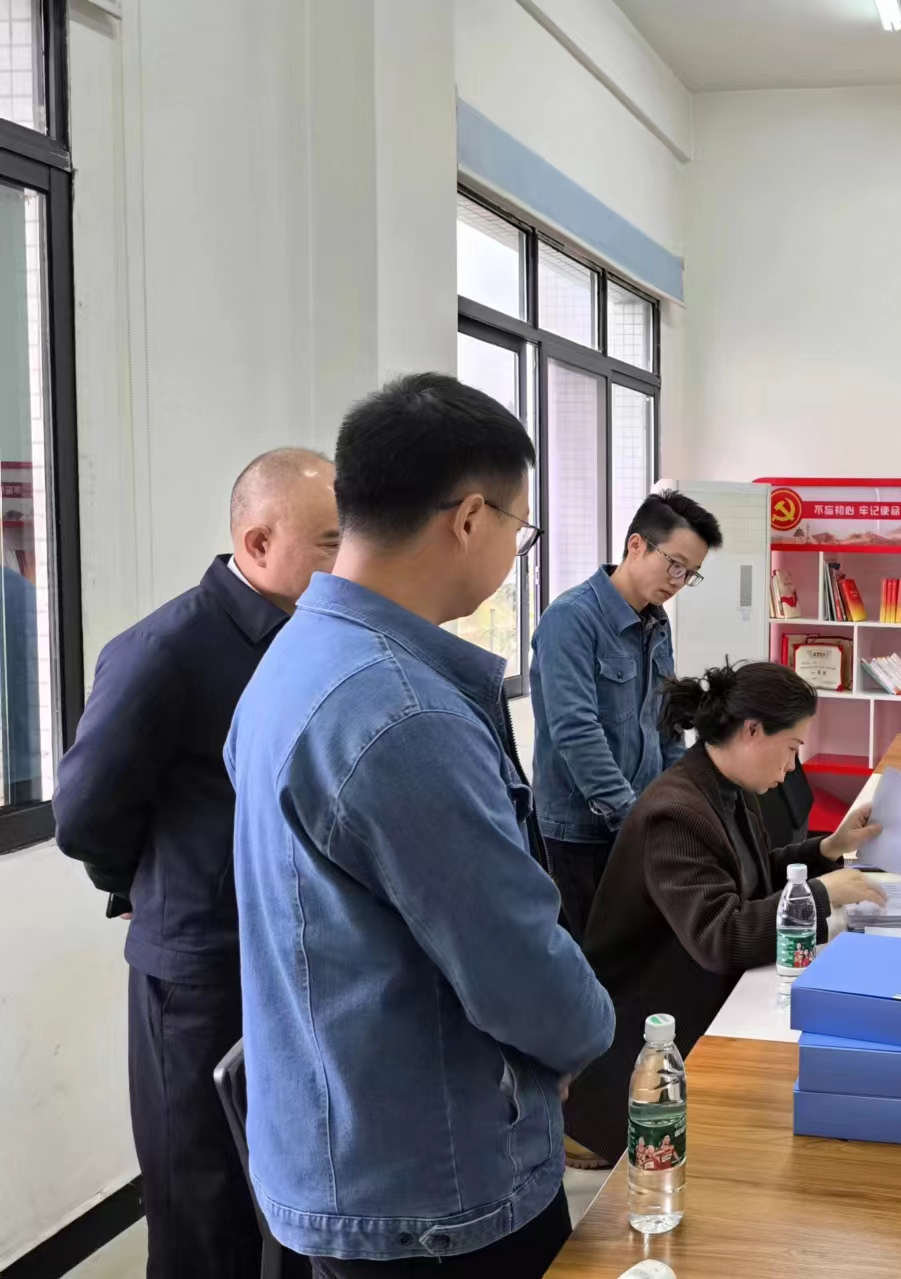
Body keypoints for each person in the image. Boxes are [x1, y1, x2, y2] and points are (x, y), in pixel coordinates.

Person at [226, 374, 614, 1277]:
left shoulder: (293, 656)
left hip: (339, 1148)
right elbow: (514, 958)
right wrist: (580, 1034)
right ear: (470, 517)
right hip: (434, 1188)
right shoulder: (403, 713)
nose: (516, 550)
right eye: (520, 528)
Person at [56, 448, 339, 1279]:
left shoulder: (304, 636)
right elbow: (84, 813)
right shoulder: (167, 649)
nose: (347, 558)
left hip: (286, 957)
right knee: (200, 1207)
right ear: (258, 543)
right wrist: (142, 886)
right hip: (199, 973)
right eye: (330, 542)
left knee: (282, 1196)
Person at [565, 661, 886, 1162]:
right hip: (642, 1035)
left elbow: (751, 876)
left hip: (690, 994)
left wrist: (828, 849)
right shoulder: (676, 813)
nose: (791, 767)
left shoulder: (726, 786)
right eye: (791, 748)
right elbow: (721, 937)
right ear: (752, 731)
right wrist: (822, 894)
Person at [529, 490, 724, 940]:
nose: (679, 581)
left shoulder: (656, 622)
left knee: (634, 952)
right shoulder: (571, 619)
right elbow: (576, 731)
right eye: (675, 564)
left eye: (690, 573)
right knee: (590, 955)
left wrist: (681, 802)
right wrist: (631, 819)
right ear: (636, 545)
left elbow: (667, 723)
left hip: (639, 821)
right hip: (579, 832)